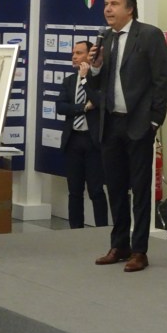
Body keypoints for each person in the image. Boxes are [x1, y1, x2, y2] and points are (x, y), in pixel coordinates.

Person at [88, 0, 167, 272]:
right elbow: (96, 85)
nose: (107, 9)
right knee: (115, 188)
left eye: (114, 4)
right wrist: (95, 67)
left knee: (140, 189)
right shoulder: (106, 38)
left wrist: (154, 120)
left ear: (130, 8)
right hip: (110, 123)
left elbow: (162, 80)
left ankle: (139, 250)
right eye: (106, 4)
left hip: (139, 124)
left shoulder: (149, 35)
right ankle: (119, 245)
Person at [56, 40, 109, 229]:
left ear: (89, 56)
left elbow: (98, 102)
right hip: (73, 140)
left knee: (96, 190)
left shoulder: (99, 79)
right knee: (74, 191)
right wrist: (83, 108)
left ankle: (102, 230)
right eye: (73, 53)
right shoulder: (69, 80)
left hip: (93, 142)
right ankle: (75, 231)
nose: (74, 57)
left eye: (79, 53)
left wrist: (85, 79)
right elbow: (61, 107)